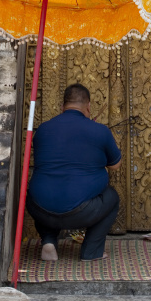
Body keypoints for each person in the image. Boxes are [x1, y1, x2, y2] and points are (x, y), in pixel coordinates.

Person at [26, 83, 122, 261]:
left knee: (44, 192)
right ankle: (91, 251)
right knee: (112, 197)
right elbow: (116, 165)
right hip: (81, 212)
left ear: (62, 107)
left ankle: (48, 241)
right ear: (89, 107)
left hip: (39, 209)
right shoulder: (100, 131)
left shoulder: (43, 130)